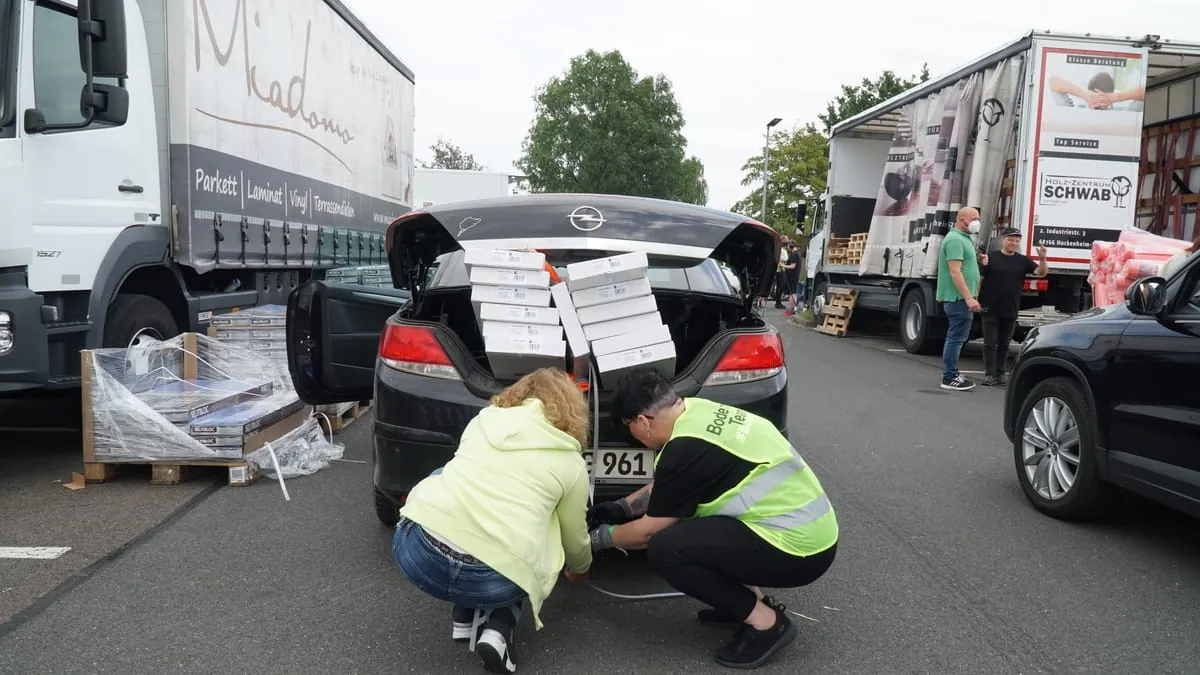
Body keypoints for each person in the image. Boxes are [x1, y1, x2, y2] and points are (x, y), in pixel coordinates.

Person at [587, 368, 838, 670]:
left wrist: (597, 540)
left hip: (798, 549)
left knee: (667, 548)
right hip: (807, 531)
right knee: (693, 534)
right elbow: (679, 484)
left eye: (629, 427)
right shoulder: (699, 413)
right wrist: (622, 508)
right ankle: (743, 603)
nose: (633, 436)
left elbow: (648, 533)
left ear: (642, 421)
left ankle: (767, 624)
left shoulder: (683, 449)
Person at [391, 368, 593, 674]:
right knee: (537, 531)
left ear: (521, 392)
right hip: (490, 581)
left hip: (417, 555)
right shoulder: (570, 462)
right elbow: (574, 537)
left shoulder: (484, 420)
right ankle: (498, 631)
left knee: (446, 477)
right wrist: (580, 569)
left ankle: (464, 615)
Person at [977, 228, 1047, 386]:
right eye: (1011, 240)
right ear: (1003, 240)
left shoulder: (1022, 260)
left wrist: (1043, 258)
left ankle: (1001, 373)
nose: (1014, 243)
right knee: (990, 342)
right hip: (990, 306)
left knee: (1004, 342)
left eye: (1016, 241)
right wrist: (976, 300)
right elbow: (980, 280)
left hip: (1011, 307)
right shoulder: (991, 258)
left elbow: (1041, 273)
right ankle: (989, 374)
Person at [936, 207, 984, 391]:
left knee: (957, 337)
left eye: (978, 218)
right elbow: (955, 272)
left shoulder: (965, 239)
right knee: (956, 338)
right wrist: (968, 298)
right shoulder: (955, 239)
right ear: (962, 219)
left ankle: (951, 374)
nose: (976, 222)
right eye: (973, 218)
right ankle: (949, 377)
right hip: (958, 299)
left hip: (962, 299)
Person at [783, 241, 802, 316]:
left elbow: (792, 266)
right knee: (792, 293)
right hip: (793, 276)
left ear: (791, 246)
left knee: (792, 293)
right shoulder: (797, 253)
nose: (787, 248)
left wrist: (783, 265)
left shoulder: (794, 254)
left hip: (792, 276)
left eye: (788, 246)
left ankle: (792, 309)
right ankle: (792, 309)